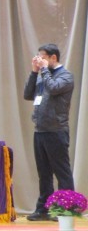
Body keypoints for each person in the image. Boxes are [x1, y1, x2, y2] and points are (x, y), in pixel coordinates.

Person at [23, 43, 75, 221]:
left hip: (56, 130)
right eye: (39, 57)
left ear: (54, 58)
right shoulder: (42, 76)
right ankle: (43, 209)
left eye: (43, 57)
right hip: (40, 131)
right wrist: (34, 72)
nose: (40, 61)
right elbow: (28, 94)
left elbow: (53, 88)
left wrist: (44, 70)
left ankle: (65, 209)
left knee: (62, 172)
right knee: (44, 173)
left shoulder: (65, 76)